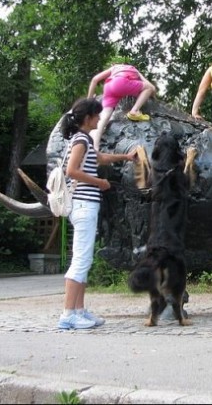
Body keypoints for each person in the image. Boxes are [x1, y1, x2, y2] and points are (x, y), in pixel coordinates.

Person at [57, 97, 137, 330]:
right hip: (83, 205)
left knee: (85, 259)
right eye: (98, 115)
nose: (101, 118)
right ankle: (68, 314)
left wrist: (125, 157)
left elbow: (100, 158)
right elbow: (72, 171)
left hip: (86, 206)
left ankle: (79, 310)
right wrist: (99, 182)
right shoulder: (81, 140)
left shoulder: (85, 140)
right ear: (88, 118)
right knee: (80, 261)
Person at [87, 63, 157, 150]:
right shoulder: (133, 69)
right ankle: (134, 111)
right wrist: (152, 93)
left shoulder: (114, 68)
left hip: (108, 86)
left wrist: (89, 99)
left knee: (103, 119)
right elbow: (151, 87)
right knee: (149, 88)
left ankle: (94, 146)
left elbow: (95, 79)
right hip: (121, 83)